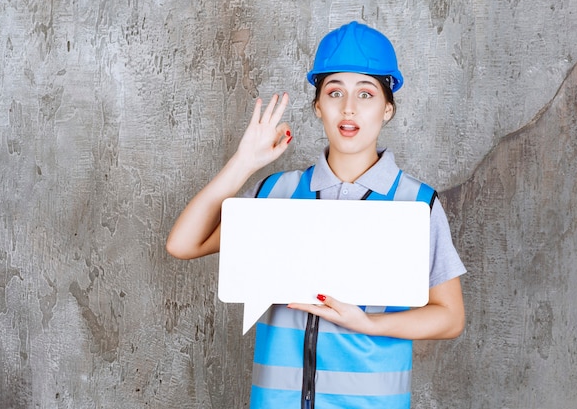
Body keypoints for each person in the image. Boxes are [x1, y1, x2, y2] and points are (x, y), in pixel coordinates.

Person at [166, 21, 466, 409]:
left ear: (387, 108)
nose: (349, 108)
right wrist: (243, 164)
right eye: (335, 92)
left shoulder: (416, 203)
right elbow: (182, 243)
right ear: (318, 106)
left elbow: (450, 317)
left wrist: (368, 323)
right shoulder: (278, 193)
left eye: (366, 93)